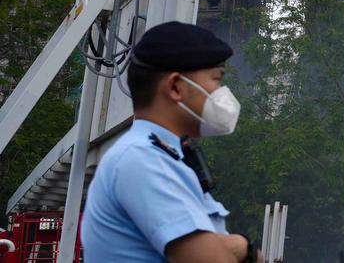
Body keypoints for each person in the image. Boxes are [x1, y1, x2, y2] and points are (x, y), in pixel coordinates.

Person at [81, 21, 261, 263]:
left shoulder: (166, 158)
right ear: (176, 87)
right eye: (217, 80)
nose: (223, 93)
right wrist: (243, 246)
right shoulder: (141, 159)